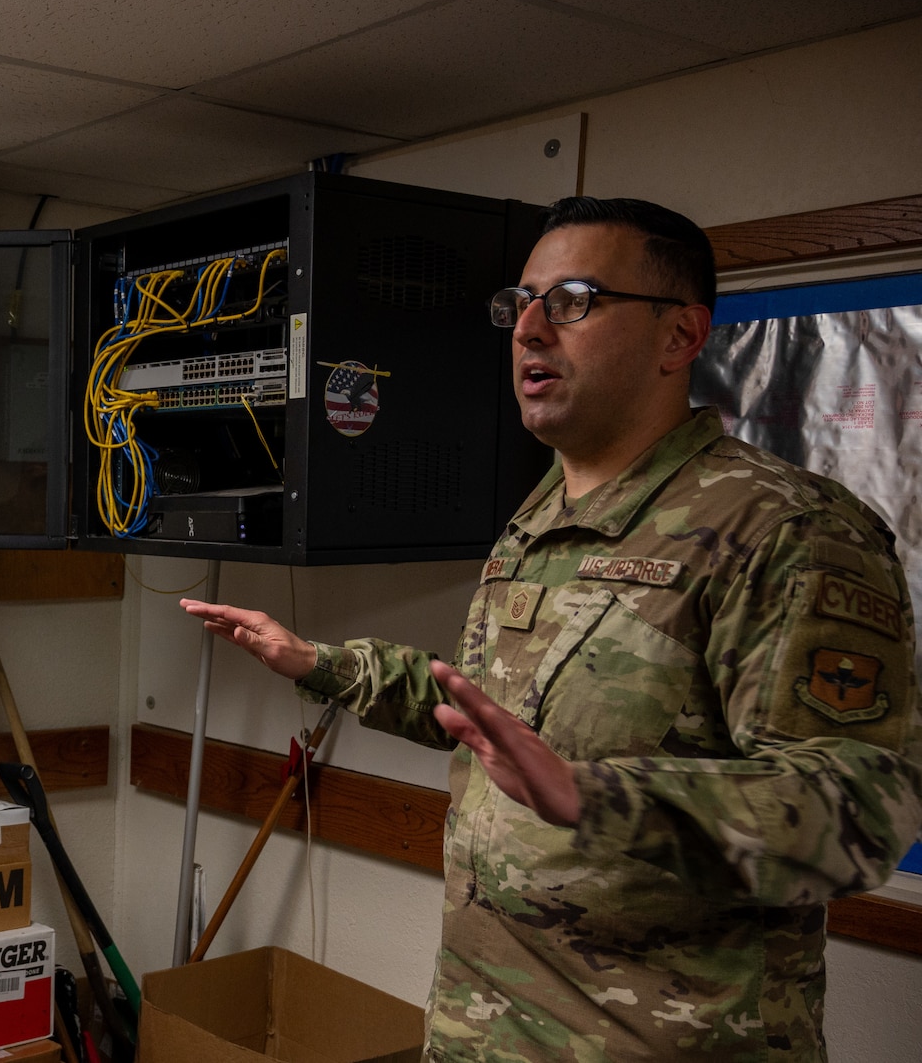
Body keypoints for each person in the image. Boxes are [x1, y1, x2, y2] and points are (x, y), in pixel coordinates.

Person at [184, 197, 922, 1061]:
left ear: (680, 336)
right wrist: (318, 661)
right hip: (482, 1032)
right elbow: (483, 713)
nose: (529, 328)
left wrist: (597, 797)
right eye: (519, 303)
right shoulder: (539, 517)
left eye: (572, 300)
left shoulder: (786, 530)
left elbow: (860, 809)